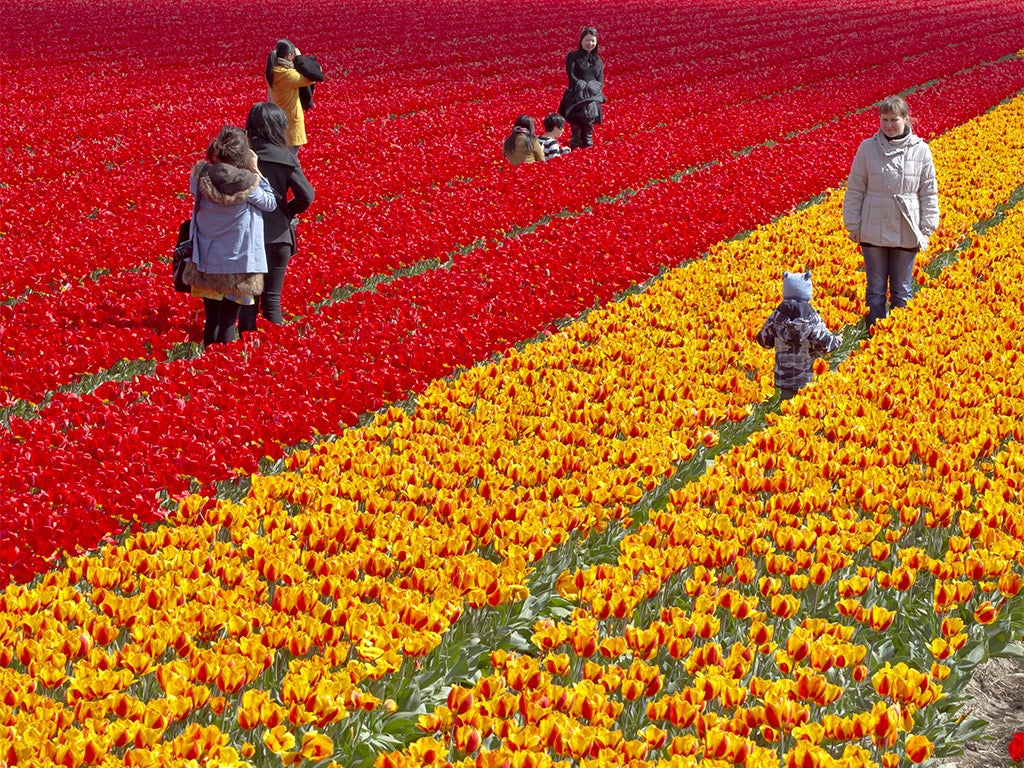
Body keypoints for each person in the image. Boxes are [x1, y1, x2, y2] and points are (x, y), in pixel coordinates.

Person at [843, 95, 939, 328]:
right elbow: (855, 188)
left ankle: (896, 340)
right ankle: (874, 337)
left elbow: (929, 191)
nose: (887, 125)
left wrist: (926, 228)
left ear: (906, 119)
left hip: (906, 227)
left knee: (902, 290)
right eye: (883, 119)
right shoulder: (867, 148)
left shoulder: (921, 150)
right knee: (875, 289)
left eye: (893, 119)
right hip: (873, 226)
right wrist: (853, 225)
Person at [183, 126, 276, 346]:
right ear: (243, 155)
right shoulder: (249, 183)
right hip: (237, 262)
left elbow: (193, 192)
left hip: (206, 258)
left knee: (212, 320)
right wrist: (256, 169)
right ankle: (219, 368)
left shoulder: (201, 176)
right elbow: (270, 203)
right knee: (227, 321)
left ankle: (207, 365)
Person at [238, 102, 316, 332]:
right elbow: (307, 196)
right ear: (278, 126)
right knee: (272, 301)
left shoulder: (240, 155)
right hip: (277, 236)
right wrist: (286, 211)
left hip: (246, 236)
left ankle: (245, 356)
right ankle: (276, 350)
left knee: (248, 302)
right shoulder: (284, 156)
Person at [756, 271, 841, 401]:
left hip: (783, 375)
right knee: (804, 409)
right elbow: (824, 342)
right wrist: (837, 340)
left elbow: (764, 340)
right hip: (807, 376)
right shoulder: (812, 318)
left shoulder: (776, 317)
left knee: (786, 410)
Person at [265, 39, 324, 152]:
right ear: (289, 56)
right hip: (290, 125)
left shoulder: (272, 70)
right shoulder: (287, 75)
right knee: (290, 159)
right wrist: (300, 58)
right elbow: (315, 74)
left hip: (276, 121)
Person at [558, 26, 605, 149]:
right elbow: (571, 75)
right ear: (581, 41)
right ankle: (575, 150)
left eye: (593, 41)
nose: (590, 43)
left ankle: (587, 151)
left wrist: (593, 90)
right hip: (575, 94)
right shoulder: (573, 57)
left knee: (588, 130)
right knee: (576, 130)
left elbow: (600, 80)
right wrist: (582, 86)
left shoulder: (598, 60)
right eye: (587, 40)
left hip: (591, 98)